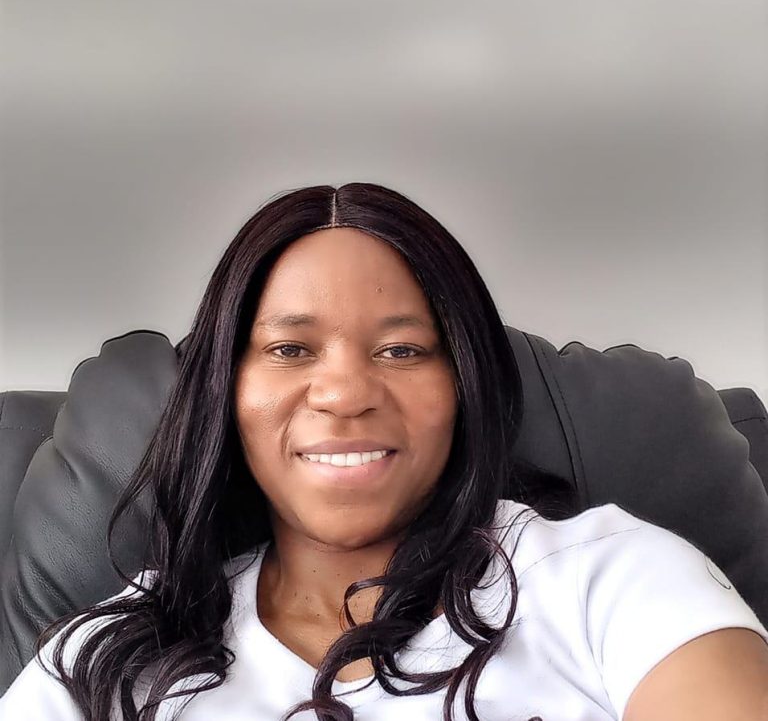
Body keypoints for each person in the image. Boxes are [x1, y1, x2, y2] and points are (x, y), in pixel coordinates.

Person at [1, 183, 767, 721]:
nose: (344, 392)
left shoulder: (612, 580)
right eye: (290, 349)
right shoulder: (101, 661)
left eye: (402, 350)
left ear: (464, 385)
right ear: (223, 395)